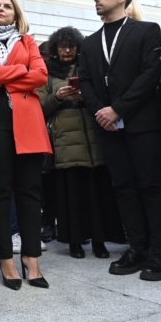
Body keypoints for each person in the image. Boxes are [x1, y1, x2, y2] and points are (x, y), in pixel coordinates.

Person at [79, 0, 161, 281]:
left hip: (142, 122)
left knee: (151, 185)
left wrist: (118, 108)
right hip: (107, 126)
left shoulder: (146, 30)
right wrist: (101, 112)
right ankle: (137, 246)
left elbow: (150, 73)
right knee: (123, 187)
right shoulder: (90, 42)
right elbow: (86, 81)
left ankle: (160, 250)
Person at [0, 0, 51, 290]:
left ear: (16, 14)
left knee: (30, 191)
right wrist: (20, 71)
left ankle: (32, 257)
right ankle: (6, 258)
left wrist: (2, 75)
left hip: (28, 121)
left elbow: (41, 76)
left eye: (7, 6)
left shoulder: (28, 42)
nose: (1, 9)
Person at [37, 26, 124, 259]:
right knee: (71, 195)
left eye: (71, 46)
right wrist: (57, 97)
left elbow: (105, 95)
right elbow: (39, 107)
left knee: (97, 195)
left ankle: (99, 242)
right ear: (55, 48)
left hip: (93, 139)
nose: (67, 51)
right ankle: (74, 242)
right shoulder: (46, 73)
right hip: (65, 142)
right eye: (62, 46)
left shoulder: (88, 67)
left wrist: (87, 96)